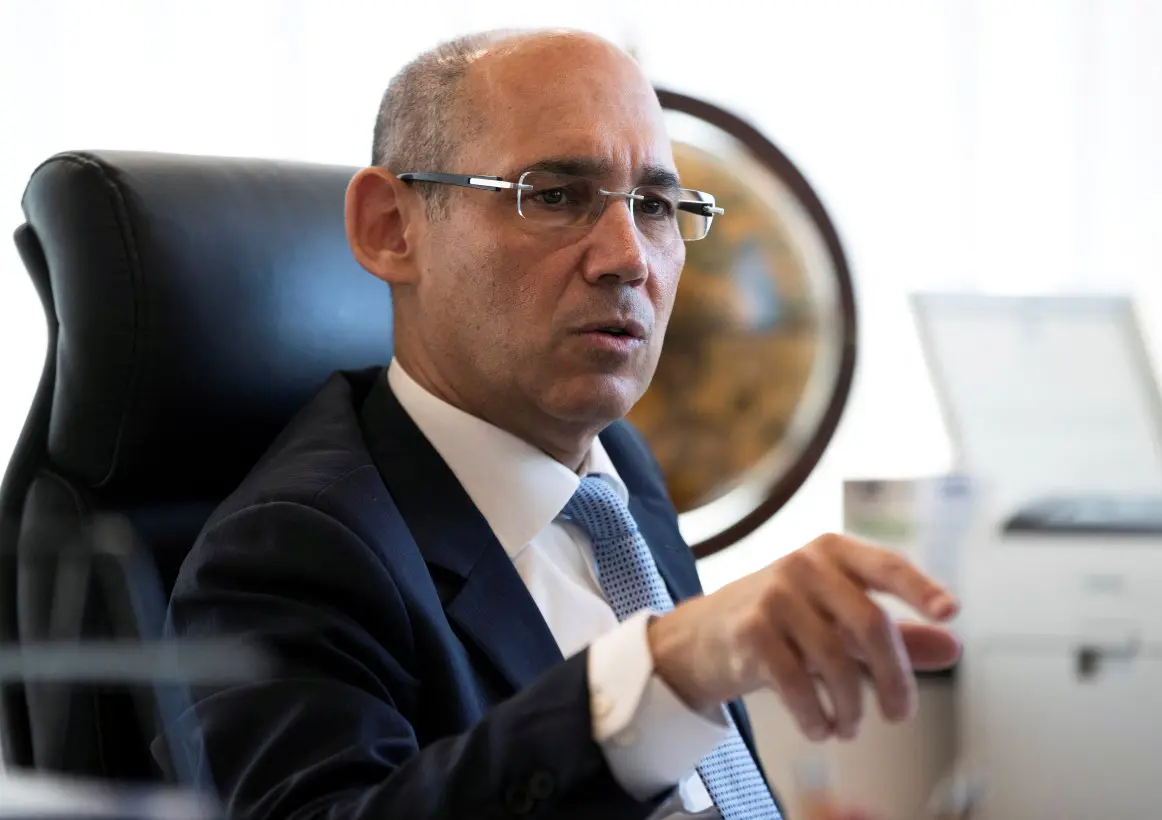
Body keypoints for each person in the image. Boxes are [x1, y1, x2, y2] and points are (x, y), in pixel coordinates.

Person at [159, 28, 961, 820]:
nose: (629, 258)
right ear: (390, 227)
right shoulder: (290, 552)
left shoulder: (620, 471)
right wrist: (666, 670)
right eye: (553, 195)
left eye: (654, 205)